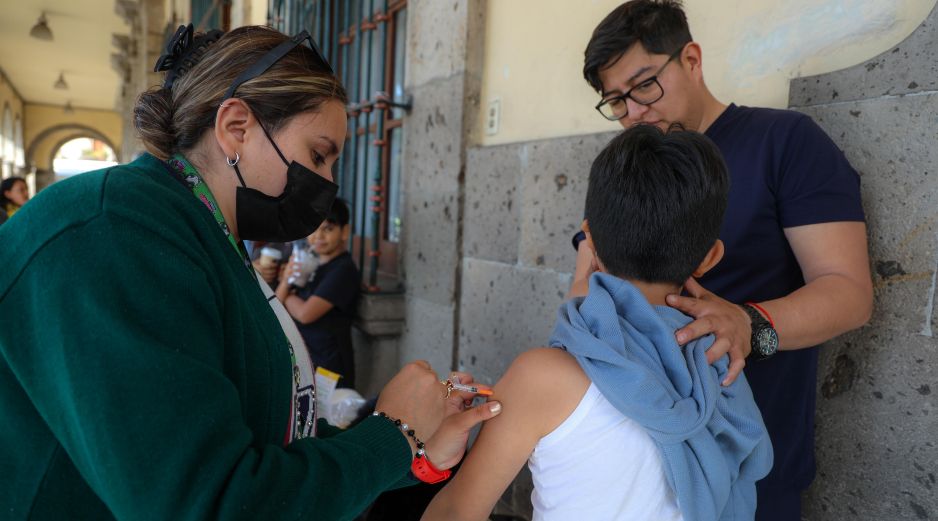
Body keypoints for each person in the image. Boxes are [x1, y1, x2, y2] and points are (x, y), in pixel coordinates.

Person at [0, 24, 500, 520]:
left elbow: (271, 436)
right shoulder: (115, 230)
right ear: (236, 127)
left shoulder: (204, 233)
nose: (327, 182)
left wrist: (418, 453)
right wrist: (393, 434)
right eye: (318, 155)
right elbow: (209, 501)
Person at [572, 2, 873, 518]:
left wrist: (748, 324)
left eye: (645, 85)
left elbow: (848, 291)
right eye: (616, 101)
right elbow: (587, 286)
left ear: (691, 59)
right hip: (630, 466)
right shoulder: (630, 167)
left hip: (750, 461)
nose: (635, 112)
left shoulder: (784, 142)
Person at [424, 125, 773, 521]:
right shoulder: (723, 364)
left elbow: (455, 512)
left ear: (588, 238)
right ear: (710, 257)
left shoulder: (539, 378)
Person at [276, 197, 360, 388]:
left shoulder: (343, 270)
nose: (319, 236)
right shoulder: (311, 263)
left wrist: (287, 288)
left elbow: (305, 314)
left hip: (329, 369)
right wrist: (286, 281)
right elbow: (276, 305)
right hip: (307, 361)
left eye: (328, 229)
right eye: (314, 228)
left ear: (345, 231)